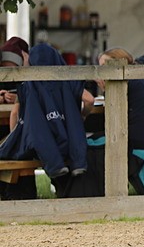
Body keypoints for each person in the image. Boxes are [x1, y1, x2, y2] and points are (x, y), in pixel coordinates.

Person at [0, 43, 93, 179]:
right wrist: (81, 116)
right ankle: (78, 164)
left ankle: (55, 167)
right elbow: (90, 100)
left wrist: (16, 138)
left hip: (41, 148)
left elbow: (15, 113)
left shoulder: (27, 85)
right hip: (68, 140)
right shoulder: (69, 80)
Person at [97, 48, 144, 150]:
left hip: (137, 140)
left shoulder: (126, 82)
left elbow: (113, 114)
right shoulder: (141, 78)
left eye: (104, 67)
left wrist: (106, 90)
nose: (101, 72)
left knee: (92, 141)